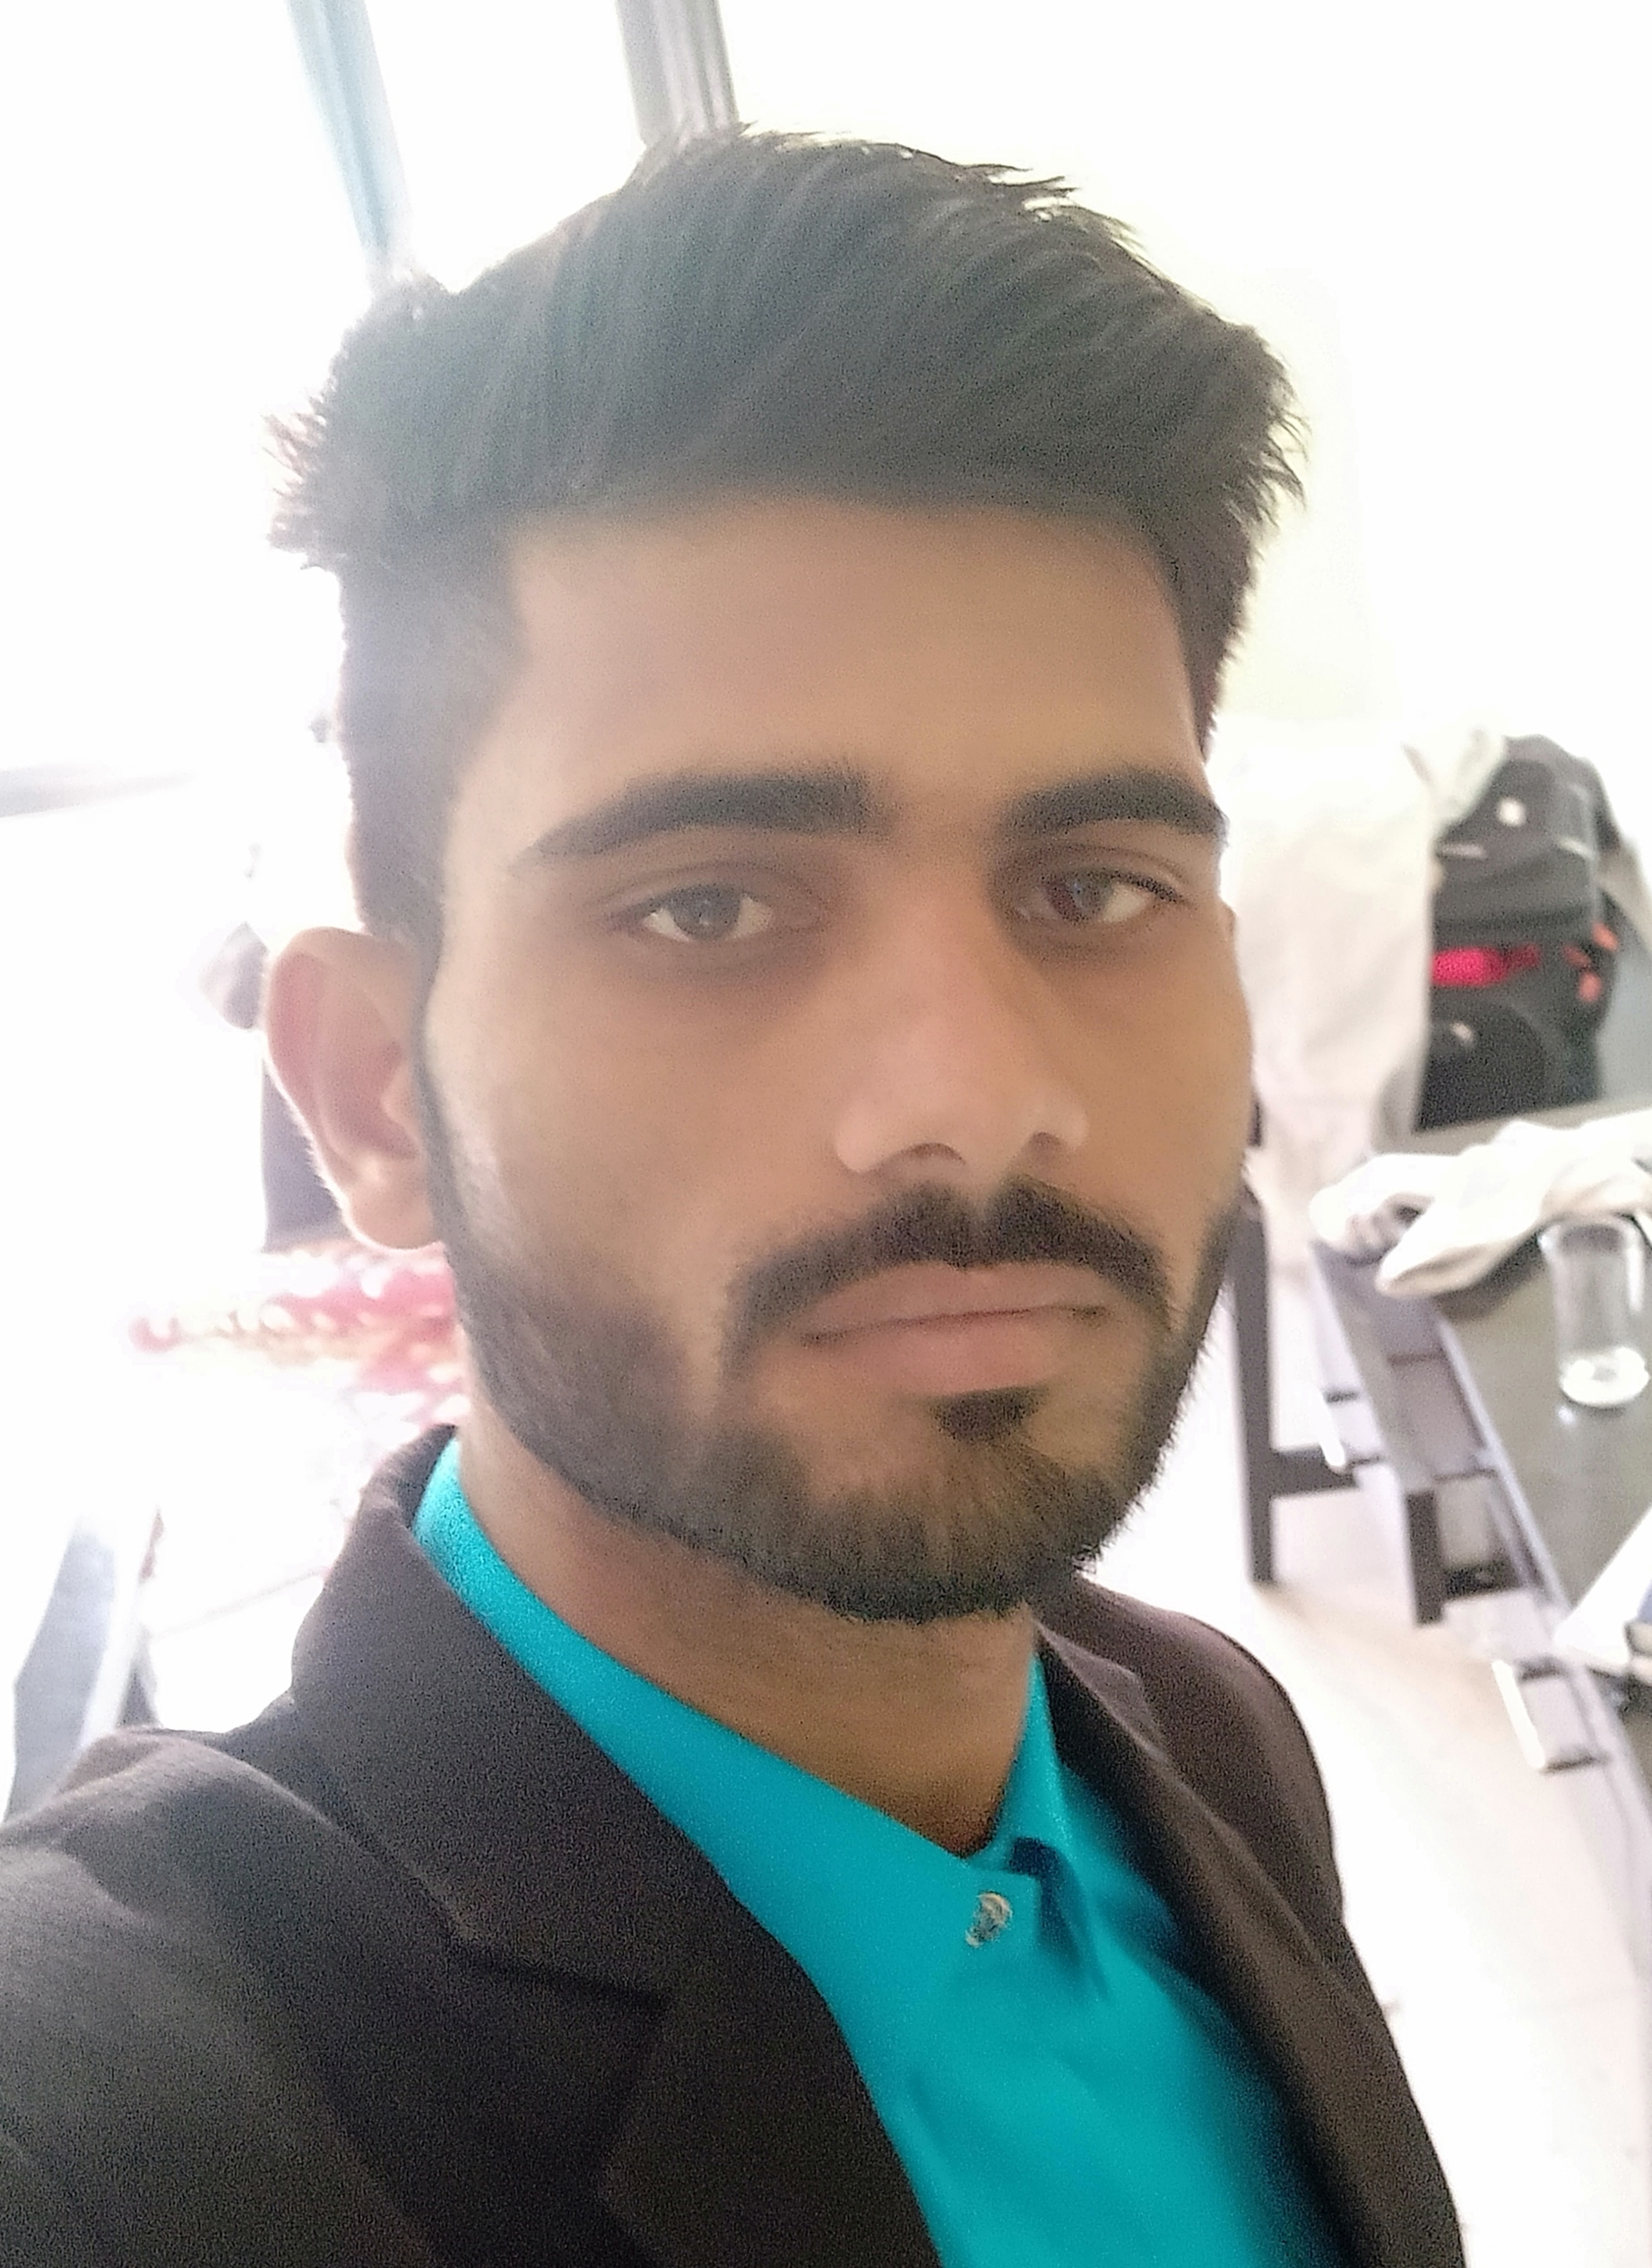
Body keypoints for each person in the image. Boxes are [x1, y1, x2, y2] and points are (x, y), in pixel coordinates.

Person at [0, 130, 1463, 2266]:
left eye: (1092, 887)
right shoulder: (109, 2120)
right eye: (707, 906)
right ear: (373, 1089)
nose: (978, 1100)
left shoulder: (1202, 1732)